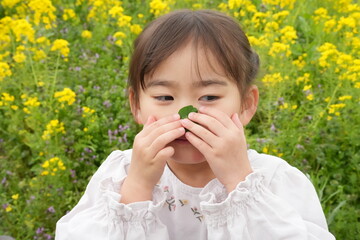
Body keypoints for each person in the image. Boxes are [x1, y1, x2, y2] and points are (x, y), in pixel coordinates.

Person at [55, 9, 335, 240]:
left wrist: (240, 183)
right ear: (136, 105)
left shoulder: (272, 180)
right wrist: (137, 188)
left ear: (247, 104)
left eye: (209, 96)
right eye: (164, 96)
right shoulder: (119, 176)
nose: (185, 115)